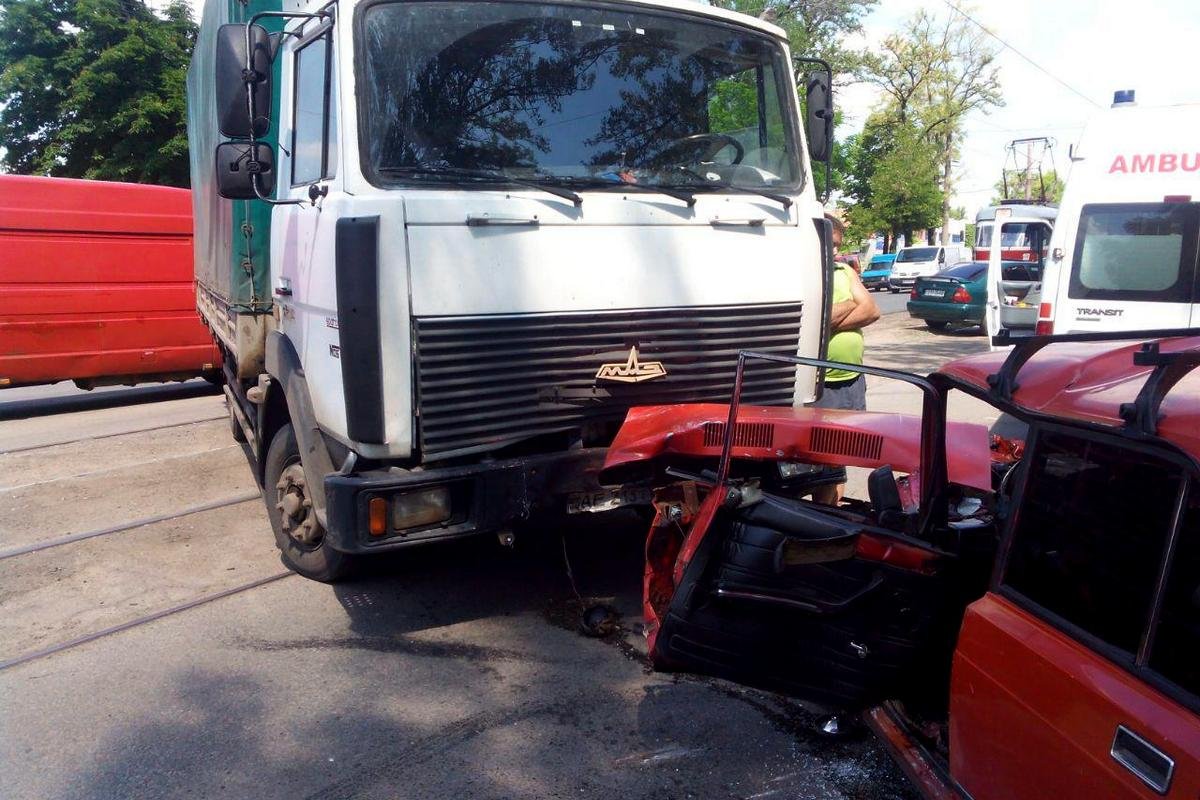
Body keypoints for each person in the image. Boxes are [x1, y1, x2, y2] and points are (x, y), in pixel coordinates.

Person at [812, 214, 880, 505]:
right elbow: (811, 317)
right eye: (830, 245)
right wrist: (850, 306)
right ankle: (814, 518)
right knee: (817, 458)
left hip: (850, 379)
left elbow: (872, 311)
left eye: (838, 245)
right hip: (818, 385)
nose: (836, 252)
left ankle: (831, 513)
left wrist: (829, 319)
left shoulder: (844, 272)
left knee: (840, 458)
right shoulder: (805, 275)